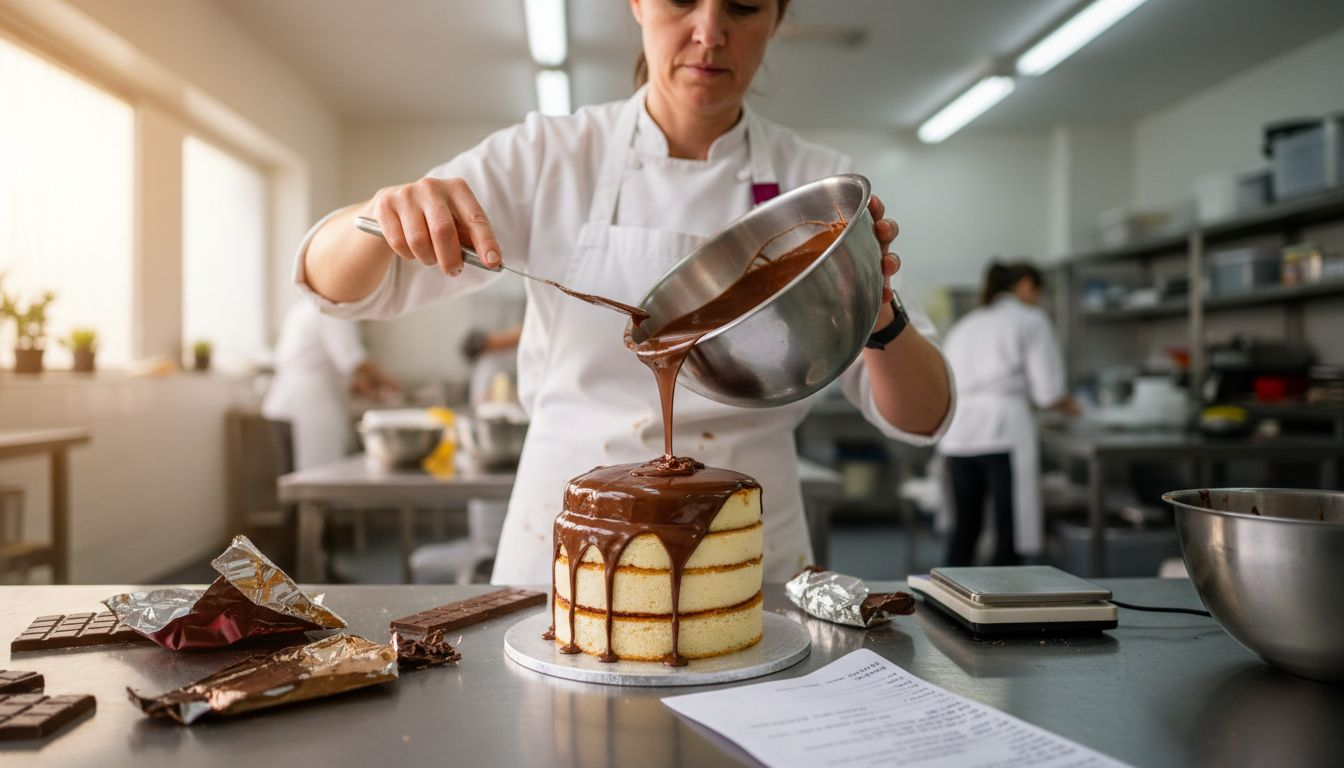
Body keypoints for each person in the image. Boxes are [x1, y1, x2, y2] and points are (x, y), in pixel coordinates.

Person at [295, 0, 953, 584]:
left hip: (744, 560)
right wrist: (381, 216)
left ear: (779, 18)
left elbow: (923, 416)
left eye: (744, 8)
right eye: (680, 1)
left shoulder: (818, 189)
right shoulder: (548, 156)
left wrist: (874, 311)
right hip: (568, 552)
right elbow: (335, 288)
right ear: (636, 4)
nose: (709, 31)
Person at [937, 261, 1076, 567]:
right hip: (1002, 432)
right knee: (1008, 530)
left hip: (958, 431)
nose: (1039, 300)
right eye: (1039, 292)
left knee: (965, 527)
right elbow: (1048, 393)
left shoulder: (966, 324)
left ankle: (947, 598)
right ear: (1026, 285)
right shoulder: (1030, 319)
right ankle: (1005, 599)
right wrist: (1075, 408)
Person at [262, 301, 401, 469]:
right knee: (309, 479)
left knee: (291, 478)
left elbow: (317, 360)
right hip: (308, 406)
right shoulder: (334, 312)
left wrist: (358, 386)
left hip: (283, 405)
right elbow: (354, 361)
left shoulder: (303, 308)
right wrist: (392, 383)